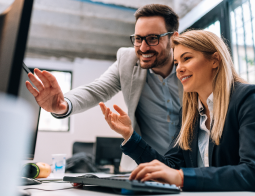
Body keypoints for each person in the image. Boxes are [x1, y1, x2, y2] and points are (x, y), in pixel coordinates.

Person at [25, 4, 182, 170]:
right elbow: (96, 90)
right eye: (138, 39)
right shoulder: (128, 61)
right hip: (146, 166)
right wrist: (63, 104)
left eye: (152, 39)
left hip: (192, 167)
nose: (143, 48)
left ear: (174, 38)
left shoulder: (192, 65)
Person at [99, 30, 255, 191]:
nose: (179, 69)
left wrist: (181, 177)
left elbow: (251, 172)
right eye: (176, 63)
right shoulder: (189, 114)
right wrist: (129, 136)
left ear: (215, 60)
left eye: (186, 58)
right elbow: (170, 167)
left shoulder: (247, 99)